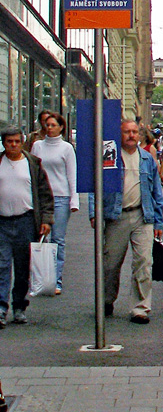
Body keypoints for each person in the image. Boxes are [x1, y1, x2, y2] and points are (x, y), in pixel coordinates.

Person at [88, 119, 163, 323]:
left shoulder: (146, 159)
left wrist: (158, 221)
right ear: (119, 134)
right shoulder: (110, 156)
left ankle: (140, 308)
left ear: (139, 135)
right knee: (111, 264)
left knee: (143, 262)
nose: (131, 135)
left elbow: (156, 191)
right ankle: (106, 301)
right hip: (116, 216)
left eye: (134, 132)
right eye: (127, 132)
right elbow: (95, 185)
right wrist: (94, 212)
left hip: (142, 216)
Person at [0, 126, 53, 326]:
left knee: (22, 268)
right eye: (9, 142)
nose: (13, 145)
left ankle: (19, 307)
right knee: (2, 266)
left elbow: (45, 194)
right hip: (2, 222)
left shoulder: (33, 163)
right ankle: (1, 308)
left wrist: (46, 220)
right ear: (4, 143)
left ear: (22, 142)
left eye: (17, 141)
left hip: (26, 221)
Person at [30, 113, 77, 296]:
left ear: (61, 127)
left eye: (52, 125)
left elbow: (71, 175)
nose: (49, 128)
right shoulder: (37, 146)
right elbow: (33, 172)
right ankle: (40, 279)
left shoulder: (66, 148)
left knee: (58, 239)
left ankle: (56, 280)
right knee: (42, 238)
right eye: (47, 125)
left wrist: (73, 200)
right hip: (41, 198)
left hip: (61, 197)